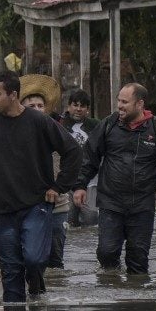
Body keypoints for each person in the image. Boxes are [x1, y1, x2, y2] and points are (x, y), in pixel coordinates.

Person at [0, 71, 82, 302]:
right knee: (10, 271)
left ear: (13, 95)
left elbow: (73, 152)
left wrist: (59, 186)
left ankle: (37, 295)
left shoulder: (40, 122)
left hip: (36, 206)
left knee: (33, 259)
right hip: (2, 209)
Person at [73, 83, 156, 275]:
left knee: (138, 260)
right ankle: (112, 287)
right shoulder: (108, 125)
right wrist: (80, 185)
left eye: (125, 102)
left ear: (140, 104)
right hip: (110, 202)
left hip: (142, 204)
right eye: (119, 100)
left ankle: (136, 300)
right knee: (107, 253)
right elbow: (90, 156)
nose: (120, 106)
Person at [19, 73, 70, 269]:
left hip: (56, 202)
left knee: (54, 261)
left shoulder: (57, 132)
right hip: (23, 204)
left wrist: (59, 186)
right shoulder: (11, 132)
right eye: (32, 106)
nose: (37, 110)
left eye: (40, 106)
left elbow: (72, 157)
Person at [59, 89, 100, 227]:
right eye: (75, 105)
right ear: (69, 106)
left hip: (90, 180)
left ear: (87, 109)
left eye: (82, 106)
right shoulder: (59, 126)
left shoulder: (96, 126)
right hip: (66, 180)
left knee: (91, 218)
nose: (78, 109)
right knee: (68, 220)